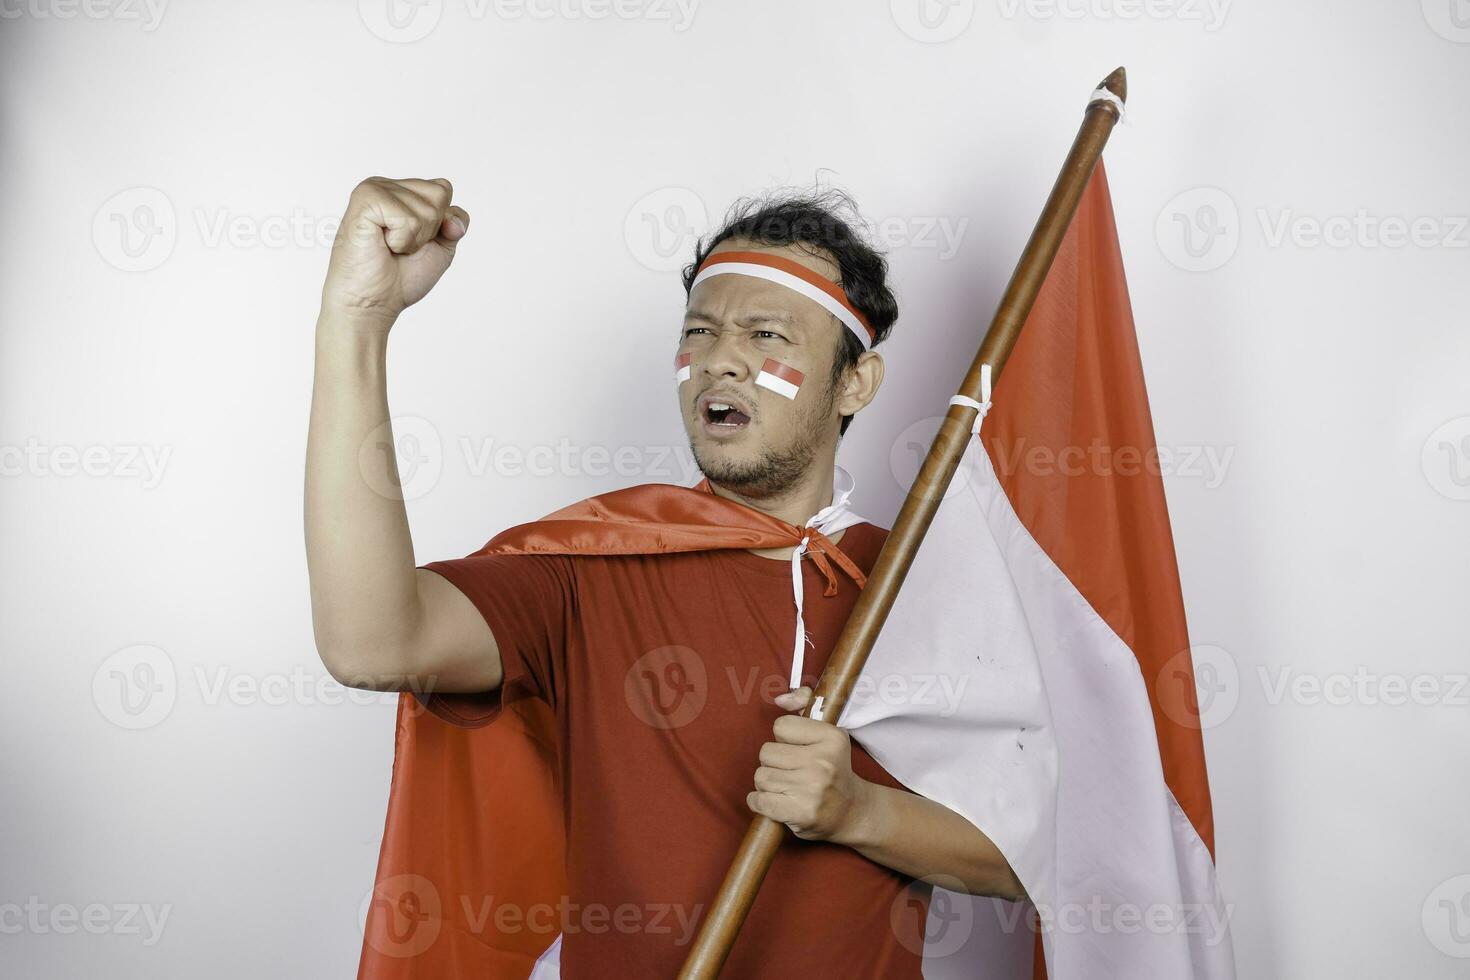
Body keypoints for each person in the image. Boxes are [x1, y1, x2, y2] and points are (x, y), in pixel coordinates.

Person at [304, 176, 1022, 978]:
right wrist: (357, 322)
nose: (721, 362)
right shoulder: (591, 568)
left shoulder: (918, 579)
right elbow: (371, 642)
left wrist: (858, 811)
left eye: (766, 336)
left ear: (855, 382)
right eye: (701, 332)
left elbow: (1033, 859)